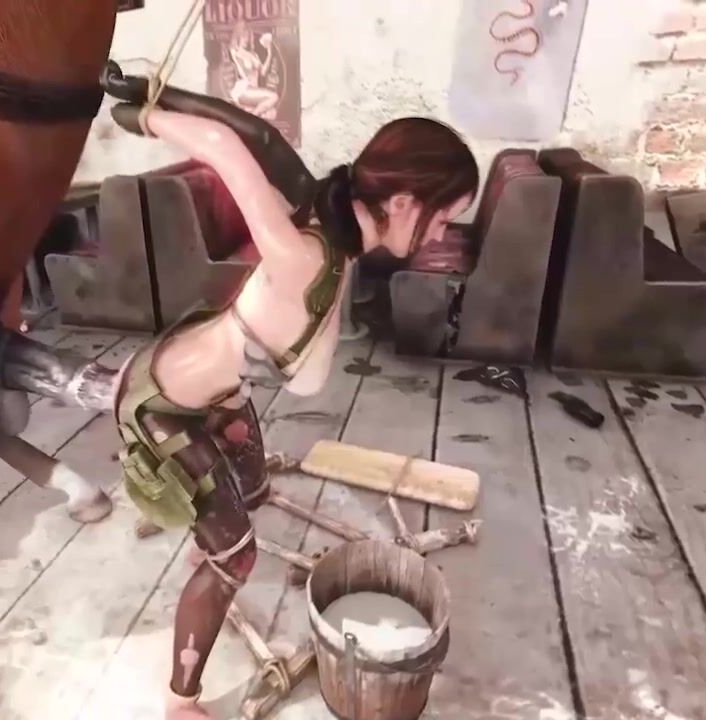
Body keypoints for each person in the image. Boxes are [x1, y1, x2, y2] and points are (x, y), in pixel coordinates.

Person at [98, 63, 479, 719]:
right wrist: (141, 114)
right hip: (165, 409)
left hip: (222, 394)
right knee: (235, 559)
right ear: (402, 204)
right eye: (443, 219)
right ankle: (180, 700)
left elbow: (260, 137)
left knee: (252, 492)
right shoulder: (303, 254)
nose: (443, 236)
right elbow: (226, 147)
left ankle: (208, 531)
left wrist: (158, 93)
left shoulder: (333, 222)